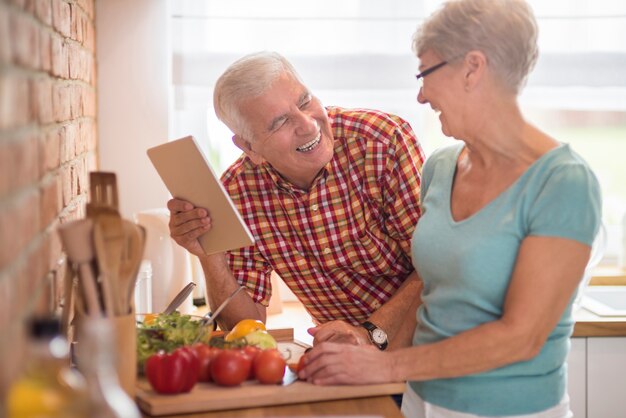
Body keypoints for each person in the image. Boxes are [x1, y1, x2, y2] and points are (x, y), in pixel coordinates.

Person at [298, 1, 602, 417]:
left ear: (472, 69)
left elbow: (522, 337)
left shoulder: (563, 182)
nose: (420, 95)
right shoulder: (441, 167)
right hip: (422, 402)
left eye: (425, 73)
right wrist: (369, 348)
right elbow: (430, 291)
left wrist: (386, 365)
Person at [167, 51, 425, 350]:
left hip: (429, 340)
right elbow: (244, 327)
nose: (308, 125)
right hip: (343, 356)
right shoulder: (238, 192)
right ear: (249, 146)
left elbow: (437, 268)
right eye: (280, 122)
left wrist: (371, 334)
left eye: (304, 101)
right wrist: (209, 254)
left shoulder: (382, 142)